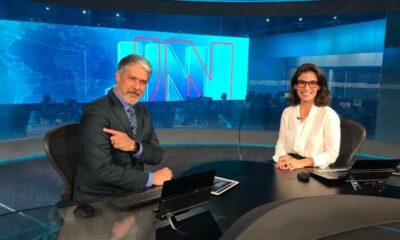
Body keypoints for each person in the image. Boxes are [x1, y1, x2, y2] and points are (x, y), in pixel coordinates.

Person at [74, 54, 173, 201]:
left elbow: (157, 155)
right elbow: (101, 170)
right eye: (132, 79)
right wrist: (151, 178)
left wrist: (135, 146)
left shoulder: (143, 112)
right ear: (118, 76)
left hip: (134, 191)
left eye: (143, 82)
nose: (137, 87)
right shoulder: (96, 111)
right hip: (102, 197)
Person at [273, 63, 340, 170]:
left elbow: (332, 154)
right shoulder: (287, 112)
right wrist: (282, 157)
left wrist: (302, 163)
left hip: (313, 169)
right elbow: (281, 144)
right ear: (295, 86)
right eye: (301, 82)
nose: (306, 87)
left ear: (319, 86)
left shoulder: (329, 115)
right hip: (288, 165)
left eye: (312, 83)